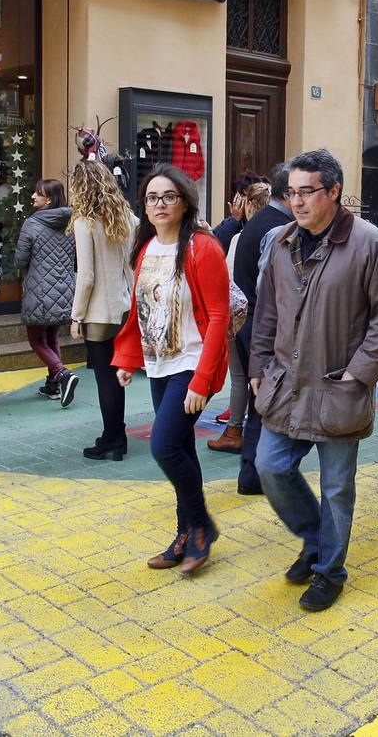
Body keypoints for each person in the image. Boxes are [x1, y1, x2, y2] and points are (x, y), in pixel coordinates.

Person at [250, 149, 378, 611]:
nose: (297, 202)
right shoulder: (280, 243)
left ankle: (330, 571)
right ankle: (315, 539)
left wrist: (359, 374)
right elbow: (266, 312)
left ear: (333, 192)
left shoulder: (369, 244)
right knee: (270, 466)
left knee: (337, 487)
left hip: (338, 386)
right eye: (291, 192)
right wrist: (258, 368)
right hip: (285, 383)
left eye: (307, 192)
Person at [113, 165, 229, 572]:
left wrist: (201, 380)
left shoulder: (202, 247)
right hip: (159, 363)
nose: (159, 204)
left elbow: (219, 315)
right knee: (180, 447)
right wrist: (128, 358)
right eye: (151, 198)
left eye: (168, 197)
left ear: (184, 203)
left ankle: (201, 526)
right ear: (143, 207)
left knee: (162, 446)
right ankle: (186, 535)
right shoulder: (145, 249)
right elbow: (140, 310)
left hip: (192, 362)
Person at [229, 164, 294, 495]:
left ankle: (252, 474)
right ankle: (256, 475)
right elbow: (274, 289)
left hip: (247, 323)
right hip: (259, 328)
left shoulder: (258, 222)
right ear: (289, 193)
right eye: (300, 191)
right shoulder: (277, 228)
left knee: (259, 402)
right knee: (265, 404)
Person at [69, 159, 139, 461]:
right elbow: (131, 266)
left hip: (97, 312)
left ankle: (112, 438)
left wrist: (76, 316)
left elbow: (86, 276)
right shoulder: (128, 218)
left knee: (104, 378)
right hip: (123, 306)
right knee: (116, 375)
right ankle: (117, 435)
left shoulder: (85, 222)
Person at [208, 181, 272, 454]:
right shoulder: (277, 234)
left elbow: (228, 278)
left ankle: (234, 430)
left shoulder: (239, 238)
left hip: (238, 316)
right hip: (264, 318)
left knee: (239, 376)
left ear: (248, 205)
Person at [16, 179, 78, 406]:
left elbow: (20, 259)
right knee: (52, 337)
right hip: (65, 289)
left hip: (39, 289)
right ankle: (52, 386)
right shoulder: (71, 223)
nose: (33, 196)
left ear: (49, 199)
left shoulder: (32, 224)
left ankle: (63, 374)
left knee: (37, 340)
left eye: (38, 193)